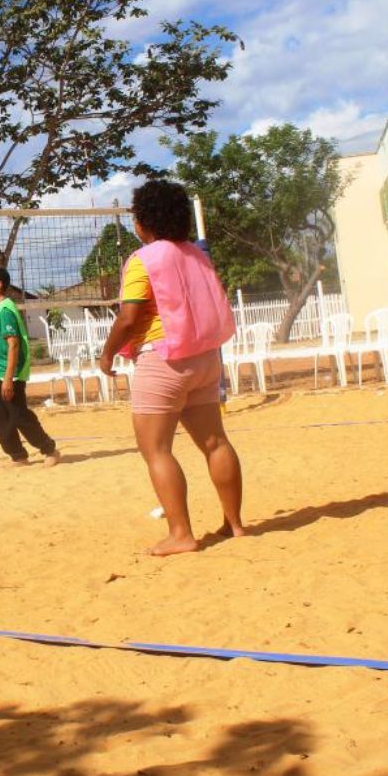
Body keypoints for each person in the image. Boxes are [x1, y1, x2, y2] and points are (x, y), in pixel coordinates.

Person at [99, 179, 244, 555]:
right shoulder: (198, 254)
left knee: (157, 450)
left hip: (163, 360)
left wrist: (107, 353)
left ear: (144, 220)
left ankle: (181, 533)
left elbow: (129, 318)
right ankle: (235, 524)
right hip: (206, 358)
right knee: (215, 443)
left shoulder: (142, 259)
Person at [0, 266, 61, 467]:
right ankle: (18, 456)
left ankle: (49, 449)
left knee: (19, 415)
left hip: (10, 373)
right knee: (1, 419)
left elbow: (13, 344)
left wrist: (8, 378)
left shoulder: (6, 310)